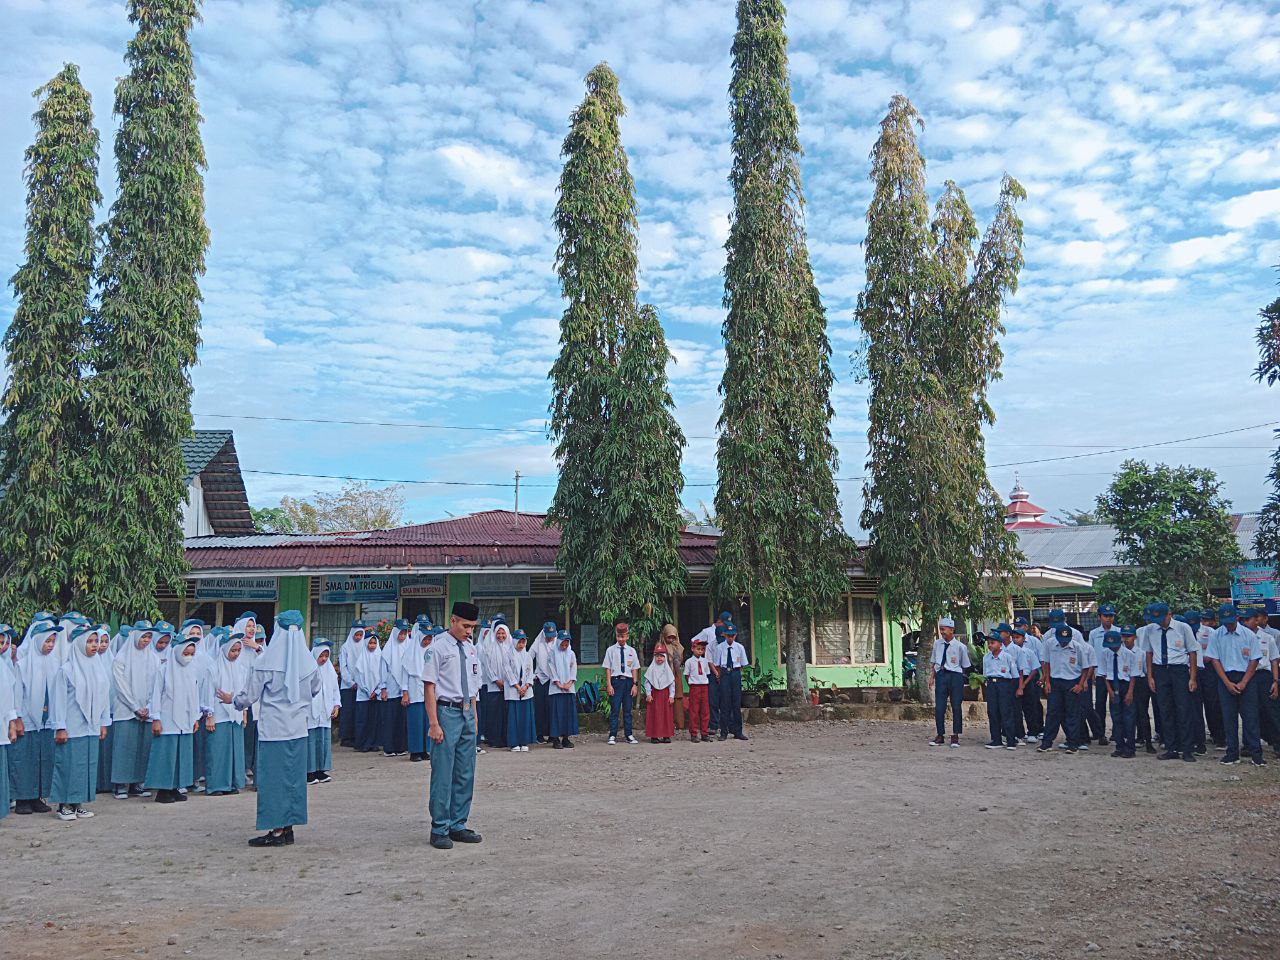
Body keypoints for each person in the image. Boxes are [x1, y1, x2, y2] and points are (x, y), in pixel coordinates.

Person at [223, 611, 322, 846]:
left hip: (274, 731)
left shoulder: (266, 662)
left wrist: (234, 700)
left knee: (274, 781)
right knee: (293, 781)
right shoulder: (308, 663)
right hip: (298, 730)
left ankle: (277, 832)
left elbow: (249, 696)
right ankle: (288, 828)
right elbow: (316, 689)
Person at [423, 601, 483, 849]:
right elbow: (429, 685)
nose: (469, 632)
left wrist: (475, 717)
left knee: (465, 771)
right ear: (453, 621)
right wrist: (434, 723)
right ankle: (439, 827)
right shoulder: (438, 647)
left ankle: (458, 824)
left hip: (467, 713)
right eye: (466, 626)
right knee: (443, 772)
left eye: (472, 627)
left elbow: (474, 686)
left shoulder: (471, 649)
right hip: (446, 713)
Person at [47, 625, 110, 821]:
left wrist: (102, 722)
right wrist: (60, 726)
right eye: (90, 642)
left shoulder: (98, 667)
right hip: (72, 726)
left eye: (96, 641)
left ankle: (78, 802)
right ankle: (63, 804)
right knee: (69, 764)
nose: (94, 646)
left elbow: (104, 697)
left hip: (91, 727)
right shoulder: (67, 670)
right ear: (79, 644)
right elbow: (58, 700)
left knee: (87, 765)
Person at [144, 629, 203, 804]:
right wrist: (155, 718)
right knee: (166, 754)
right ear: (177, 651)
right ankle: (163, 790)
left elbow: (194, 695)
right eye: (185, 652)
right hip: (167, 719)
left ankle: (176, 786)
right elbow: (155, 695)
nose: (188, 656)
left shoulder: (191, 670)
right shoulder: (164, 669)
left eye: (192, 653)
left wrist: (195, 718)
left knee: (181, 754)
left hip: (185, 719)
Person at [1202, 606, 1264, 766]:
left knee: (1250, 717)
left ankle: (1256, 754)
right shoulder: (1216, 635)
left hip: (1247, 677)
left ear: (1237, 618)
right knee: (1229, 718)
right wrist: (1227, 683)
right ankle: (1232, 753)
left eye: (1231, 622)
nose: (1229, 626)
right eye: (1225, 623)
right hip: (1225, 677)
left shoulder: (1249, 635)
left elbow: (1254, 660)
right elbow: (1214, 659)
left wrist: (1243, 682)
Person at [1139, 602, 1200, 762]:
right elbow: (1149, 653)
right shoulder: (1150, 630)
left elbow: (1192, 652)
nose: (1157, 622)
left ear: (1169, 614)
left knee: (1183, 710)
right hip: (1160, 671)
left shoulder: (1182, 627)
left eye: (1160, 618)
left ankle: (1187, 749)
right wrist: (1150, 677)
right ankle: (1171, 747)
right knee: (1165, 710)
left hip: (1179, 670)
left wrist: (1192, 678)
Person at [12, 622, 61, 814]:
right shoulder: (23, 665)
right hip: (28, 720)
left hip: (47, 720)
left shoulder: (55, 663)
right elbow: (17, 694)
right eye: (47, 641)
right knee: (24, 759)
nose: (50, 645)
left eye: (52, 641)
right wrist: (18, 718)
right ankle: (23, 798)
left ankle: (37, 796)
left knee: (43, 759)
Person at [109, 622, 157, 799]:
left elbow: (156, 685)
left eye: (149, 637)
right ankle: (120, 784)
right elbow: (120, 686)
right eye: (143, 636)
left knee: (143, 747)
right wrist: (135, 707)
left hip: (146, 711)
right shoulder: (121, 658)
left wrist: (149, 707)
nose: (146, 640)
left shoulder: (153, 658)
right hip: (126, 710)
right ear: (135, 635)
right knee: (125, 747)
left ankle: (138, 782)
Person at [206, 632, 249, 796]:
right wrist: (209, 715)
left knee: (234, 751)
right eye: (233, 651)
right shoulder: (213, 668)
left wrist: (244, 713)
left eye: (238, 650)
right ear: (224, 650)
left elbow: (244, 691)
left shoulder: (242, 669)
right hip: (219, 715)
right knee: (218, 751)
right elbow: (207, 693)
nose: (236, 654)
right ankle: (216, 785)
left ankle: (232, 783)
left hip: (236, 715)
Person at [1038, 625, 1088, 754]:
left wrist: (1080, 684)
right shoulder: (1050, 644)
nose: (1063, 642)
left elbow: (1085, 668)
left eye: (1066, 640)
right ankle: (1047, 743)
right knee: (1052, 714)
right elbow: (1046, 663)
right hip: (1055, 682)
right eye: (1061, 639)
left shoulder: (1078, 648)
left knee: (1072, 714)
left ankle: (1073, 743)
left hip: (1072, 682)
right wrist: (1047, 681)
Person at [1241, 605, 1280, 756]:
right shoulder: (1240, 637)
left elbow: (1274, 660)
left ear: (1256, 620)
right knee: (1249, 711)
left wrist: (1275, 681)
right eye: (1243, 620)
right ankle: (1249, 744)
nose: (1245, 622)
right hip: (1247, 676)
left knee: (1272, 710)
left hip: (1264, 676)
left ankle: (1277, 742)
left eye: (1248, 619)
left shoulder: (1267, 637)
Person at [929, 618, 970, 748]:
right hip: (941, 676)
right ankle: (940, 735)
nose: (942, 632)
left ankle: (955, 735)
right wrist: (932, 677)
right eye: (940, 629)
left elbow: (964, 665)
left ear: (952, 630)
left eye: (944, 629)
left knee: (956, 706)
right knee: (939, 707)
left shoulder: (960, 647)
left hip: (955, 676)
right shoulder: (937, 644)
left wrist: (957, 677)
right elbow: (934, 661)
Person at [401, 621, 436, 762]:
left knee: (427, 721)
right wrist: (405, 692)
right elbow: (404, 674)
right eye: (425, 638)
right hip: (414, 690)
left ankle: (425, 750)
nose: (427, 641)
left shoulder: (432, 651)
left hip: (429, 690)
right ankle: (415, 751)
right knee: (415, 721)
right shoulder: (410, 652)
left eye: (429, 638)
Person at [1098, 630, 1136, 758]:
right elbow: (1103, 674)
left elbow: (1133, 675)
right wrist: (1109, 690)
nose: (1112, 648)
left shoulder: (1129, 654)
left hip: (1125, 685)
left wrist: (1130, 692)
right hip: (1112, 685)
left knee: (1129, 718)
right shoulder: (1105, 653)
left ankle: (1130, 747)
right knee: (1116, 718)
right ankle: (1119, 746)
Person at [307, 640, 340, 784]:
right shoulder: (308, 668)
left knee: (323, 741)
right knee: (311, 741)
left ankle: (321, 770)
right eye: (321, 655)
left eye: (327, 656)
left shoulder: (329, 670)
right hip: (311, 710)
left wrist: (336, 705)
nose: (324, 659)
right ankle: (309, 771)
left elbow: (334, 689)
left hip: (325, 711)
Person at [603, 621, 640, 745]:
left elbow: (635, 668)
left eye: (623, 636)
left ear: (628, 636)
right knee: (615, 709)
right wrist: (609, 684)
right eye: (619, 636)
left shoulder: (632, 651)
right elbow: (607, 668)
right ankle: (612, 734)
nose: (621, 639)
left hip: (628, 682)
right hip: (616, 681)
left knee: (628, 710)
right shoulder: (611, 650)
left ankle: (628, 734)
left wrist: (635, 684)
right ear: (616, 636)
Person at [379, 619, 412, 757]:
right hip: (391, 689)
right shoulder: (388, 650)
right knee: (390, 719)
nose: (402, 636)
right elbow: (382, 670)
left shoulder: (409, 647)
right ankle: (389, 747)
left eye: (405, 633)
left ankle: (401, 746)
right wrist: (383, 688)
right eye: (400, 633)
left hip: (405, 690)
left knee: (402, 720)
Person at [1086, 604, 1118, 745]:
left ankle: (1116, 733)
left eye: (1111, 616)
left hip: (1115, 674)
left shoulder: (1118, 631)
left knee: (1115, 704)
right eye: (1105, 616)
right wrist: (1091, 672)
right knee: (1099, 704)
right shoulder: (1094, 634)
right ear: (1099, 617)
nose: (1108, 618)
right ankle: (1100, 733)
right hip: (1099, 673)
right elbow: (1091, 654)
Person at [982, 630, 1019, 750]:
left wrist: (1014, 689)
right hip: (991, 685)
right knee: (993, 712)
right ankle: (996, 739)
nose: (990, 645)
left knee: (1006, 712)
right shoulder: (986, 657)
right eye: (989, 643)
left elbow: (1014, 675)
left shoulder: (1007, 657)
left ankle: (1010, 740)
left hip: (1004, 685)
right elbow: (985, 674)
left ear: (1000, 643)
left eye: (992, 642)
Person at [1121, 625, 1156, 754]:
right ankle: (1129, 742)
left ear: (1135, 637)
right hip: (1125, 682)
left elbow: (1147, 671)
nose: (1126, 639)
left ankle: (1147, 741)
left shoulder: (1141, 653)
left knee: (1142, 714)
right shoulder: (1120, 652)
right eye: (1124, 636)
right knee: (1128, 715)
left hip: (1140, 684)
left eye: (1128, 636)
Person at [479, 620, 512, 750]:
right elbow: (487, 667)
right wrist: (496, 680)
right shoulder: (489, 647)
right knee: (494, 714)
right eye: (498, 633)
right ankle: (494, 739)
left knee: (506, 714)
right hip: (494, 686)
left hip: (509, 686)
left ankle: (506, 738)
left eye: (503, 633)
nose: (501, 636)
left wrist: (509, 681)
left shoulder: (510, 646)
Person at [713, 623, 749, 741]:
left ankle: (738, 731)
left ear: (735, 635)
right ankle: (724, 732)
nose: (730, 638)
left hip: (735, 673)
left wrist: (736, 673)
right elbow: (716, 664)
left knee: (736, 703)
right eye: (728, 636)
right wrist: (721, 676)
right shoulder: (719, 648)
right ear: (724, 635)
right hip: (724, 674)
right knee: (724, 704)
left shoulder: (740, 647)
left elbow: (743, 665)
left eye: (732, 635)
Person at [336, 619, 367, 747]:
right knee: (348, 711)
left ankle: (357, 736)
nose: (358, 637)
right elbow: (343, 667)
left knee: (359, 712)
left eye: (361, 634)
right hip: (348, 686)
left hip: (362, 685)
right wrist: (350, 682)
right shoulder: (345, 647)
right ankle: (346, 737)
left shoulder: (365, 646)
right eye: (356, 634)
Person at [504, 629, 535, 752]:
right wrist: (517, 687)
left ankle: (524, 741)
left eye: (523, 642)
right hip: (513, 691)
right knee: (514, 717)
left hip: (526, 691)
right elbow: (508, 672)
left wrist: (526, 686)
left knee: (525, 717)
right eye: (519, 642)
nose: (521, 645)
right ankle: (514, 743)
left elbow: (530, 673)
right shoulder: (508, 654)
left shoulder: (527, 655)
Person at [1009, 626, 1043, 744]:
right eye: (1013, 637)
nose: (1015, 640)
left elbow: (1034, 669)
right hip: (1015, 682)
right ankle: (1019, 733)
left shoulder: (1029, 652)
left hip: (1028, 682)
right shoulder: (1009, 651)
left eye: (1017, 637)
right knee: (1016, 709)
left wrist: (1024, 684)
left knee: (1030, 707)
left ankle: (1033, 732)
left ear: (1023, 638)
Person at [351, 630, 383, 753]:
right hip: (363, 695)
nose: (372, 645)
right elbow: (357, 676)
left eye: (374, 643)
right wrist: (367, 691)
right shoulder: (361, 658)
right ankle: (362, 743)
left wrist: (377, 691)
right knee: (362, 720)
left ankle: (374, 743)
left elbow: (383, 675)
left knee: (374, 720)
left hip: (376, 694)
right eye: (370, 643)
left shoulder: (380, 657)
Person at [547, 629, 579, 750]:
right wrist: (559, 684)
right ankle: (555, 739)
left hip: (569, 689)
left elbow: (573, 668)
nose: (564, 646)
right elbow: (551, 669)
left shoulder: (571, 654)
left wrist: (569, 683)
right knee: (556, 714)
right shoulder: (552, 653)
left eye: (567, 644)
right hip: (556, 689)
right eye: (563, 644)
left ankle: (566, 738)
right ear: (558, 642)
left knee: (567, 714)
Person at [0, 626, 19, 821]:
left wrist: (11, 724)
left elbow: (8, 699)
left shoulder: (4, 666)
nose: (4, 646)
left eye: (4, 641)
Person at [530, 621, 557, 744]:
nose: (550, 637)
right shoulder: (538, 643)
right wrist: (532, 675)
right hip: (541, 680)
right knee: (540, 708)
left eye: (552, 635)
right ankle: (540, 734)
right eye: (548, 635)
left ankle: (553, 734)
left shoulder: (558, 642)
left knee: (552, 708)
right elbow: (528, 658)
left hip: (554, 680)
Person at [644, 644, 676, 744]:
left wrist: (671, 696)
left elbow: (671, 684)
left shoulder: (668, 670)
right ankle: (654, 736)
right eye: (657, 656)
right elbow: (648, 682)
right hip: (655, 695)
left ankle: (666, 735)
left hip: (665, 695)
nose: (659, 658)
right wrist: (648, 694)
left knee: (666, 715)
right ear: (654, 657)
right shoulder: (651, 669)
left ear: (665, 657)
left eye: (661, 656)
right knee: (655, 714)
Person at [683, 636, 712, 743]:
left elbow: (707, 674)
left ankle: (705, 733)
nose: (700, 651)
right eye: (698, 649)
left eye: (702, 649)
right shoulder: (689, 662)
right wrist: (691, 684)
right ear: (692, 649)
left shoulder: (705, 661)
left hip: (704, 687)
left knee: (705, 711)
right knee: (694, 711)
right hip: (694, 687)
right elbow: (686, 675)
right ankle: (694, 734)